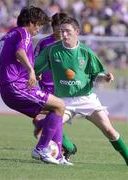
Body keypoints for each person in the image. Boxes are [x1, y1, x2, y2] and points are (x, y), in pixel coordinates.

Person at [34, 17, 128, 165]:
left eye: (68, 31)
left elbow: (97, 74)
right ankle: (61, 150)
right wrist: (34, 73)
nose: (64, 35)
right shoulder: (52, 50)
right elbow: (35, 68)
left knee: (109, 131)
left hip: (87, 99)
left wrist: (105, 77)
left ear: (77, 32)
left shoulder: (86, 52)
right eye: (62, 31)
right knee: (51, 126)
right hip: (63, 101)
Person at [0, 6, 72, 165]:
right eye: (38, 25)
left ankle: (57, 155)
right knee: (60, 105)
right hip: (16, 87)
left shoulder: (6, 36)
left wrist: (30, 72)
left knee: (57, 108)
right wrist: (30, 70)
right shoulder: (23, 33)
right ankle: (41, 149)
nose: (39, 29)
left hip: (10, 88)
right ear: (31, 22)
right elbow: (20, 52)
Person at [33, 12, 77, 161]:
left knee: (56, 117)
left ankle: (42, 126)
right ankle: (62, 152)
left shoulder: (69, 43)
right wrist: (35, 73)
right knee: (56, 116)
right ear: (52, 28)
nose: (60, 32)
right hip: (46, 85)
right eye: (57, 28)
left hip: (63, 86)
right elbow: (35, 60)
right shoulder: (44, 43)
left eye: (63, 29)